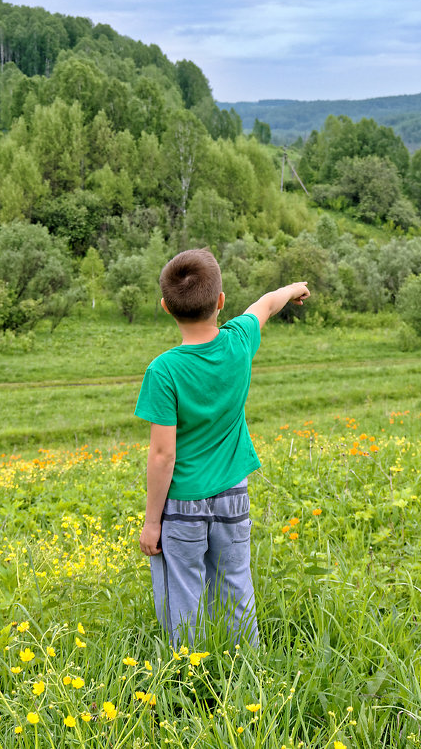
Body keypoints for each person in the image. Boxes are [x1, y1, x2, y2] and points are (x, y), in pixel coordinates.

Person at [134, 248, 309, 646]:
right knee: (235, 585)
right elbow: (266, 304)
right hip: (233, 494)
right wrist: (295, 288)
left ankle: (189, 676)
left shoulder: (164, 370)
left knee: (183, 595)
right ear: (220, 302)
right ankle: (248, 665)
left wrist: (151, 521)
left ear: (165, 307)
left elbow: (163, 455)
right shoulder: (239, 342)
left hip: (182, 507)